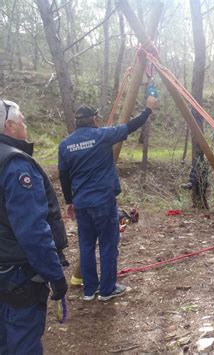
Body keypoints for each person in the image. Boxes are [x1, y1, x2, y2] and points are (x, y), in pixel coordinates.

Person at [58, 96, 158, 301]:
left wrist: (69, 201)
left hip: (81, 203)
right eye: (96, 117)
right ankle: (107, 290)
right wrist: (148, 109)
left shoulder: (65, 144)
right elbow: (131, 126)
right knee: (108, 244)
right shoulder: (101, 135)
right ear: (94, 119)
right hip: (102, 201)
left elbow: (64, 175)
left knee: (86, 245)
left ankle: (89, 290)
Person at [0, 99, 68, 353]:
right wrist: (55, 274)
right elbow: (32, 231)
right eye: (22, 121)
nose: (26, 125)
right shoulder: (15, 165)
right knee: (21, 343)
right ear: (10, 126)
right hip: (17, 276)